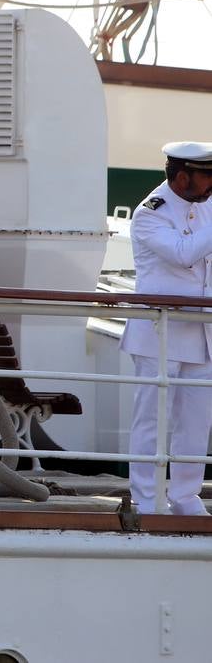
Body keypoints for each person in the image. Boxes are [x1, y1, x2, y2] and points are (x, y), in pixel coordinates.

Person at [120, 141, 212, 516]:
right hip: (159, 333)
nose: (211, 186)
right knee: (151, 420)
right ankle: (147, 499)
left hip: (202, 332)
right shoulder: (149, 213)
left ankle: (186, 496)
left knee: (196, 420)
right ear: (182, 175)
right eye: (207, 177)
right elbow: (183, 253)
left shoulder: (205, 206)